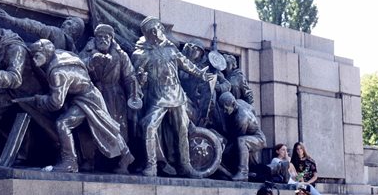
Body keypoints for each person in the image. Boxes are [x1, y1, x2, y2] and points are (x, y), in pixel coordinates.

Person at [28, 39, 134, 174]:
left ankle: (70, 163)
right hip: (86, 95)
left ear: (46, 53)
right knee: (104, 127)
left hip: (87, 98)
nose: (34, 60)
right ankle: (125, 155)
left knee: (65, 124)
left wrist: (39, 100)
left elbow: (55, 103)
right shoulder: (60, 54)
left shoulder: (57, 73)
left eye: (37, 56)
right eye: (32, 56)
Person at [131, 16, 215, 178]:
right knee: (148, 126)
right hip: (158, 97)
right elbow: (135, 80)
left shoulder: (171, 49)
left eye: (158, 29)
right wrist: (141, 80)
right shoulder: (141, 54)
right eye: (152, 31)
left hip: (177, 96)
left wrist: (202, 75)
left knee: (182, 130)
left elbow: (187, 65)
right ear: (147, 35)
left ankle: (186, 166)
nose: (156, 33)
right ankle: (151, 165)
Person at [0, 18, 54, 165]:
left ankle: (29, 155)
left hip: (30, 94)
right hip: (11, 91)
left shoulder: (15, 49)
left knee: (50, 131)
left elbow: (16, 78)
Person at [212, 92, 266, 181]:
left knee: (241, 141)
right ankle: (279, 167)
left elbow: (235, 141)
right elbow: (253, 110)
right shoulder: (240, 102)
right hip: (251, 135)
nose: (225, 112)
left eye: (226, 109)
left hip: (258, 138)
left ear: (233, 104)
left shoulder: (241, 118)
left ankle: (243, 172)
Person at [271, 143, 341, 195]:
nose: (285, 152)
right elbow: (280, 169)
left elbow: (295, 177)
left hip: (294, 182)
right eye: (283, 150)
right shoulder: (275, 160)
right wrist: (287, 160)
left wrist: (300, 177)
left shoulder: (291, 163)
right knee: (308, 189)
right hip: (285, 183)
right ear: (277, 151)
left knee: (308, 190)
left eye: (286, 150)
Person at [0, 8, 85, 53]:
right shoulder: (74, 53)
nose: (64, 24)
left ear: (74, 31)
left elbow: (36, 27)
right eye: (65, 22)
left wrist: (12, 19)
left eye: (69, 23)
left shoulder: (57, 33)